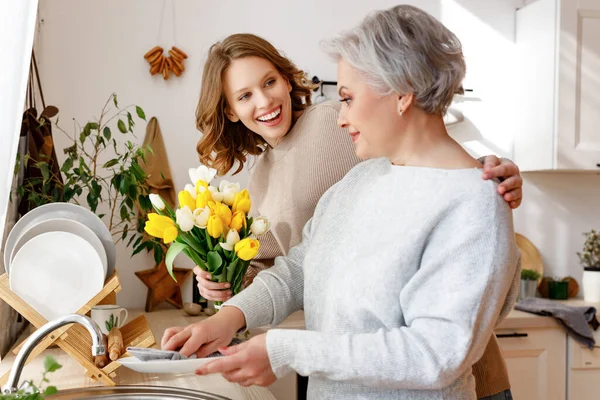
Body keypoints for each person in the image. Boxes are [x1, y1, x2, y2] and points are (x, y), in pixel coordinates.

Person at [163, 5, 521, 399]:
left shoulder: (473, 201)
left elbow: (434, 353)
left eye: (348, 98)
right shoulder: (360, 179)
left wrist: (285, 350)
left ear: (401, 92)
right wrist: (229, 318)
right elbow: (299, 268)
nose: (339, 117)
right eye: (245, 95)